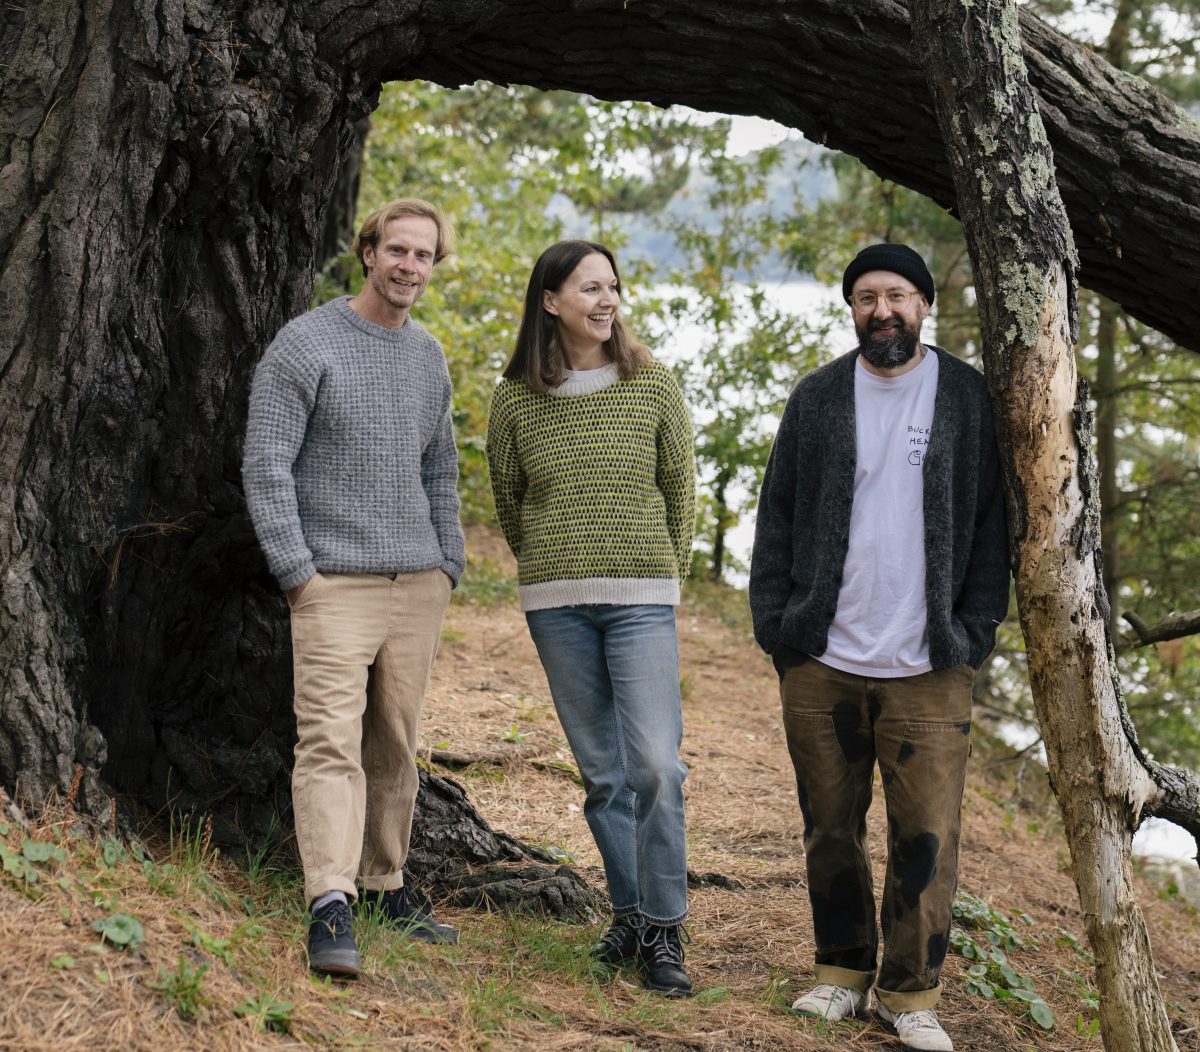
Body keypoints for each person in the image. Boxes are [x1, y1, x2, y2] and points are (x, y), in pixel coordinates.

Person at [749, 244, 1010, 1051]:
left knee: (925, 834)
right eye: (866, 297)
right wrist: (780, 630)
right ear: (851, 309)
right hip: (823, 658)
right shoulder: (820, 396)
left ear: (926, 305)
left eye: (898, 295)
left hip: (929, 662)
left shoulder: (967, 398)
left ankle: (910, 993)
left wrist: (970, 635)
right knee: (829, 826)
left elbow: (994, 527)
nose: (882, 310)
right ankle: (840, 974)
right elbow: (778, 514)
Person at [243, 199, 465, 978]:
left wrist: (449, 563)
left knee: (396, 746)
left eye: (424, 256)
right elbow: (266, 462)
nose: (410, 266)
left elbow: (441, 466)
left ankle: (383, 882)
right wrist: (297, 572)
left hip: (416, 582)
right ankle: (329, 900)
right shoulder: (306, 344)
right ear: (367, 252)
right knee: (330, 743)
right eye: (397, 250)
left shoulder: (429, 355)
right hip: (331, 583)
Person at [486, 240, 696, 997]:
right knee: (604, 775)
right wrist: (553, 564)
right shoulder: (515, 397)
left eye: (613, 287)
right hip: (557, 607)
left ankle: (667, 929)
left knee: (655, 769)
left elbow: (681, 489)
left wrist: (658, 578)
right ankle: (631, 916)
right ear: (550, 301)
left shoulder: (652, 384)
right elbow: (510, 500)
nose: (606, 301)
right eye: (589, 288)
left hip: (642, 601)